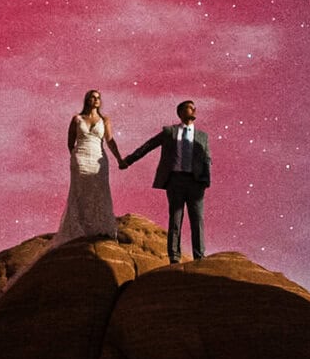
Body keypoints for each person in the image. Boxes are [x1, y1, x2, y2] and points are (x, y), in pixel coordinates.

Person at [120, 99, 209, 262]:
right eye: (189, 108)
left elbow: (206, 158)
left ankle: (200, 256)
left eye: (194, 108)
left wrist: (205, 181)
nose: (193, 110)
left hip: (195, 182)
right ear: (180, 113)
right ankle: (174, 256)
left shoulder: (202, 136)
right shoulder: (169, 132)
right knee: (175, 218)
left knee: (197, 220)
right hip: (175, 180)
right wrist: (129, 160)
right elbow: (149, 145)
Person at [52, 88, 124, 245]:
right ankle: (80, 228)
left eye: (98, 97)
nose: (96, 100)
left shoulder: (105, 120)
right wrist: (75, 157)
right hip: (81, 157)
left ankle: (100, 228)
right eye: (92, 97)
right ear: (87, 100)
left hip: (98, 157)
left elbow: (110, 141)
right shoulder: (77, 119)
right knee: (80, 191)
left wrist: (119, 159)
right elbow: (70, 142)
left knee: (99, 190)